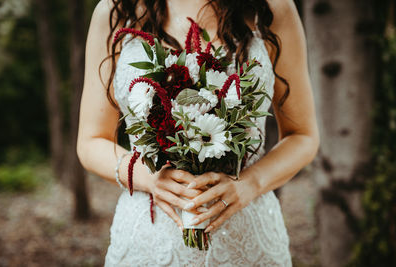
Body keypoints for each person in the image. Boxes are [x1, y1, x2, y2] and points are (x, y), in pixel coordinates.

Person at [77, 0, 319, 265]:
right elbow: (91, 142)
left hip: (247, 236)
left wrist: (250, 183)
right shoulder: (116, 11)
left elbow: (303, 136)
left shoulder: (271, 8)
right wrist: (150, 179)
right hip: (149, 238)